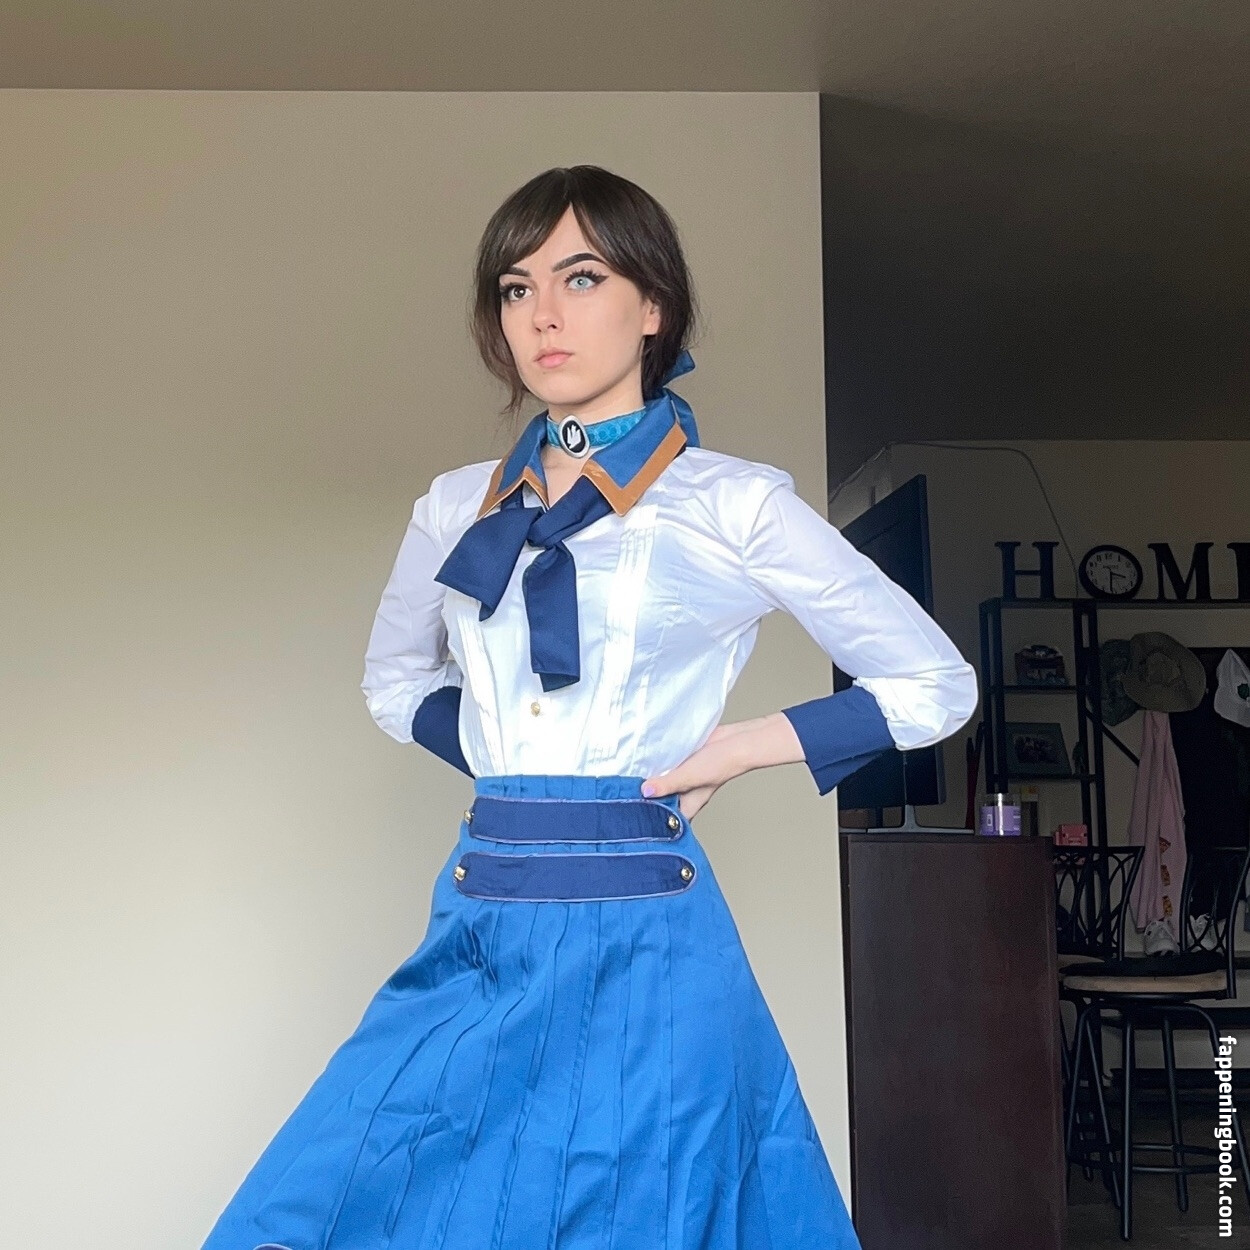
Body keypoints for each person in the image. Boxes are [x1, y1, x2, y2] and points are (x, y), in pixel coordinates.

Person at [201, 165, 978, 1250]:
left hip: (651, 928)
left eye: (580, 277)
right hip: (484, 912)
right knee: (334, 1201)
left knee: (644, 1216)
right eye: (515, 289)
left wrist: (736, 748)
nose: (543, 316)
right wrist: (506, 762)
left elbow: (934, 684)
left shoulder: (733, 503)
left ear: (652, 306)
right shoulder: (453, 506)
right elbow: (393, 683)